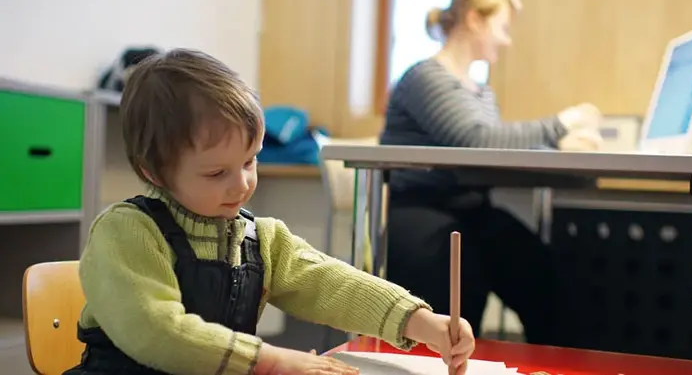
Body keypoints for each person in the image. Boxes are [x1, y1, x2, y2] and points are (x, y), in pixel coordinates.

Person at [64, 49, 476, 375]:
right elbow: (157, 330)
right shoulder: (126, 233)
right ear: (152, 171)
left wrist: (421, 322)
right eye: (216, 172)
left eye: (250, 162)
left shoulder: (259, 238)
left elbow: (328, 282)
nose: (241, 184)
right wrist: (270, 361)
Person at [380, 0, 603, 344]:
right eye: (502, 27)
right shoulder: (426, 78)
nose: (506, 39)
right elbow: (476, 141)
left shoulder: (481, 92)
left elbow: (492, 149)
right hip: (420, 209)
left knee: (548, 284)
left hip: (469, 210)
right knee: (463, 286)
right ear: (473, 20)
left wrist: (559, 146)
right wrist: (562, 123)